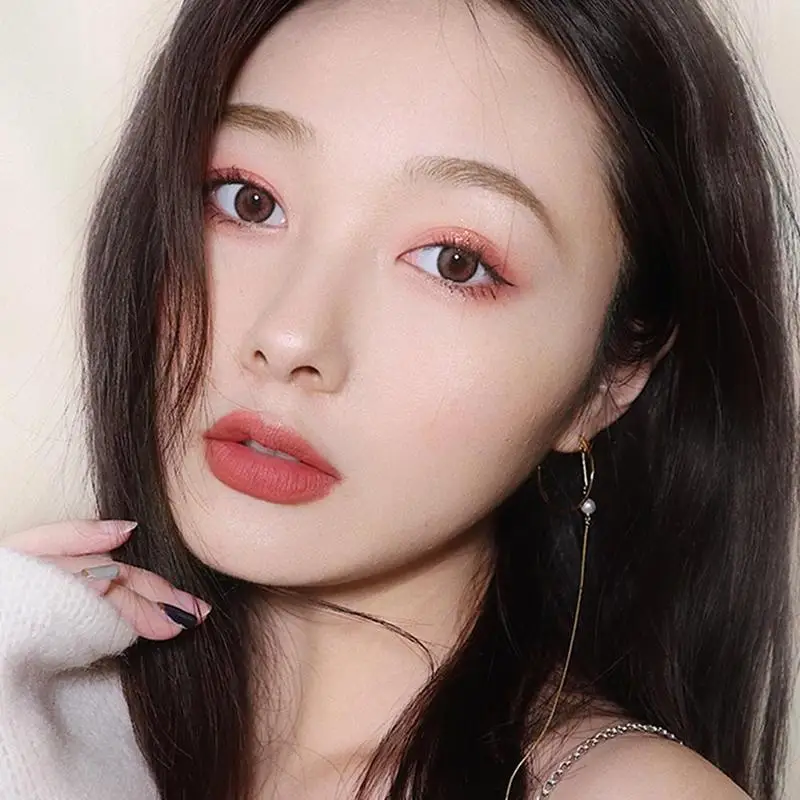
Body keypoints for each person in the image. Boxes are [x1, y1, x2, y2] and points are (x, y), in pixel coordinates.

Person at [0, 0, 797, 797]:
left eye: (455, 262)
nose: (291, 336)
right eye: (248, 200)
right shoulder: (58, 726)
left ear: (609, 378)